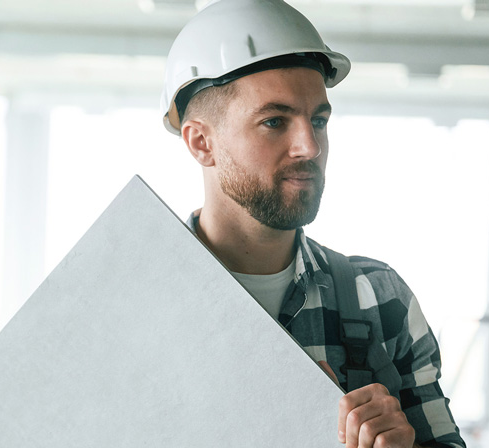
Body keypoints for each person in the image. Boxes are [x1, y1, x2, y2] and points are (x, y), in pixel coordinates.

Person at [162, 1, 466, 447]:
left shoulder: (381, 302)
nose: (309, 146)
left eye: (318, 120)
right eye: (274, 121)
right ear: (201, 142)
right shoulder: (136, 303)